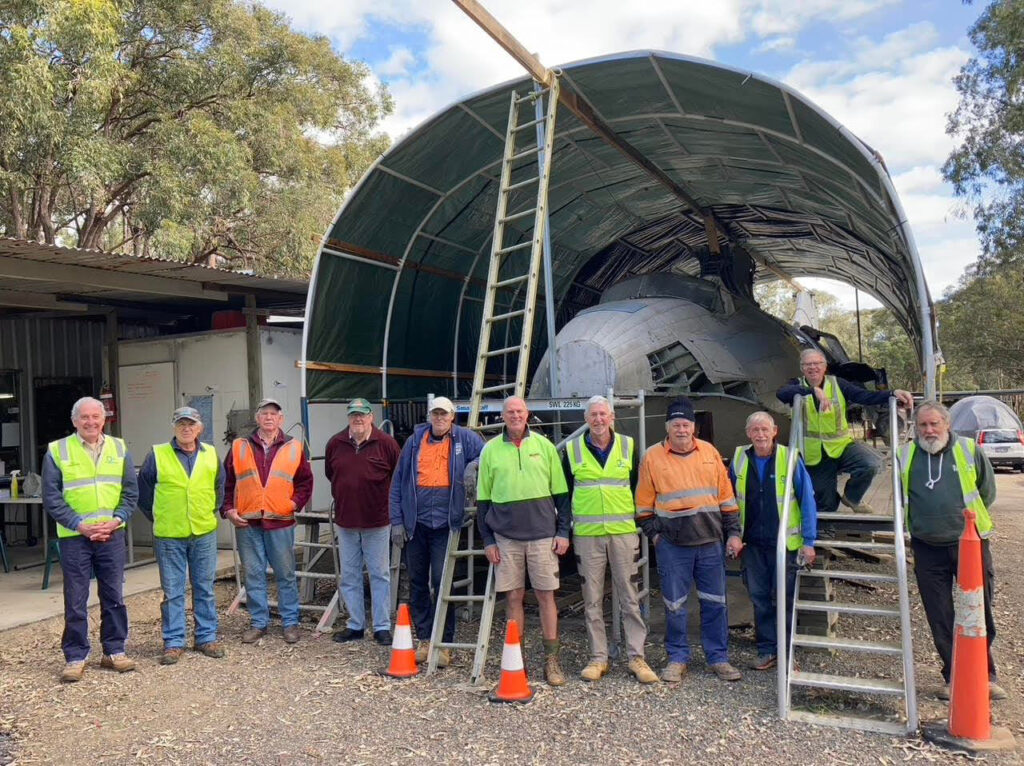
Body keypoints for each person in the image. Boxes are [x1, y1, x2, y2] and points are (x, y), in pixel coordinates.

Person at [898, 401, 1005, 701]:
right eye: (923, 425)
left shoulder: (969, 450)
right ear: (916, 428)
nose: (929, 430)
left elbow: (987, 491)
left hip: (969, 544)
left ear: (947, 424)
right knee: (940, 614)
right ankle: (953, 675)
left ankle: (986, 675)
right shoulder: (905, 455)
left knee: (978, 609)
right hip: (926, 546)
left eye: (935, 424)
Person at [635, 396, 743, 683]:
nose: (681, 429)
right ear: (667, 427)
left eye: (686, 424)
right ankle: (677, 658)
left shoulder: (709, 452)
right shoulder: (652, 457)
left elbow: (727, 498)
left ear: (693, 427)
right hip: (672, 547)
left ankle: (718, 658)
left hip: (710, 543)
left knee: (716, 603)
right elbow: (643, 506)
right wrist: (656, 537)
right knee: (674, 605)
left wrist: (733, 533)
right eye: (676, 425)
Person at [562, 395, 659, 684]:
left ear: (612, 417)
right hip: (588, 536)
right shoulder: (572, 450)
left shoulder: (629, 447)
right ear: (586, 419)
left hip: (622, 534)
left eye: (603, 414)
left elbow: (637, 488)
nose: (598, 420)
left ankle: (636, 657)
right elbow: (566, 494)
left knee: (630, 596)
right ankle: (598, 658)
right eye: (593, 415)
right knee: (591, 599)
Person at [42, 396, 139, 682]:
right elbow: (51, 496)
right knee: (75, 598)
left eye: (96, 417)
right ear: (74, 421)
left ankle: (114, 651)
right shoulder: (58, 451)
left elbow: (130, 492)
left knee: (114, 595)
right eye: (84, 417)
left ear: (103, 419)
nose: (91, 422)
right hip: (75, 537)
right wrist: (79, 525)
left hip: (111, 533)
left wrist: (118, 519)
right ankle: (75, 656)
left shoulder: (119, 448)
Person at [477, 396, 570, 686]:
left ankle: (551, 661)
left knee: (546, 596)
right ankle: (516, 660)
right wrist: (488, 540)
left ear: (527, 414)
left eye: (520, 411)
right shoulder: (490, 450)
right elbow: (483, 500)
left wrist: (563, 531)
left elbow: (562, 495)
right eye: (510, 412)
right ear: (503, 416)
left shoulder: (544, 447)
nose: (515, 416)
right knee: (513, 597)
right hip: (506, 538)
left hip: (543, 536)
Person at [390, 396, 483, 665]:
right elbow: (398, 483)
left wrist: (472, 467)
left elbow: (486, 457)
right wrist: (397, 521)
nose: (439, 418)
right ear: (429, 416)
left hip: (445, 524)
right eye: (435, 414)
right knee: (418, 582)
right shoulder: (413, 442)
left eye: (444, 414)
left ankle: (444, 643)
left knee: (442, 583)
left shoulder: (465, 438)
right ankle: (425, 638)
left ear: (453, 416)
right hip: (416, 524)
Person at [728, 411, 817, 671]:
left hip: (785, 545)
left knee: (786, 598)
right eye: (755, 430)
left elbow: (807, 500)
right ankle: (767, 650)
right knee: (759, 598)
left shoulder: (789, 458)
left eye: (765, 429)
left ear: (775, 431)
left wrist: (809, 540)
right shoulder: (739, 459)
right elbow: (730, 500)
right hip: (753, 543)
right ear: (748, 433)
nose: (760, 435)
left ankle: (787, 652)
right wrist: (732, 534)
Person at [137, 406, 226, 665]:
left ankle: (206, 637)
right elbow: (144, 495)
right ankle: (174, 642)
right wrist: (162, 517)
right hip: (169, 535)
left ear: (200, 428)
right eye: (181, 424)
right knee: (173, 591)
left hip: (203, 532)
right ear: (174, 427)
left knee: (205, 587)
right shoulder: (157, 455)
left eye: (191, 424)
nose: (186, 428)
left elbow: (219, 488)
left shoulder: (211, 454)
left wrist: (207, 513)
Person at [776, 348, 914, 514]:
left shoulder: (837, 384)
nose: (813, 367)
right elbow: (782, 393)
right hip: (814, 456)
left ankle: (852, 497)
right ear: (802, 368)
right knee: (825, 503)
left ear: (825, 366)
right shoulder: (795, 385)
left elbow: (864, 396)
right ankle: (828, 510)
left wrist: (893, 393)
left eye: (817, 363)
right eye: (808, 364)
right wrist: (812, 391)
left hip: (841, 447)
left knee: (871, 463)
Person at [221, 398, 313, 645]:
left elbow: (305, 482)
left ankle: (290, 623)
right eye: (264, 413)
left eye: (274, 414)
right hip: (247, 522)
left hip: (280, 521)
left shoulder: (294, 447)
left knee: (285, 574)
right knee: (253, 574)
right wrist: (228, 508)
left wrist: (292, 504)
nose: (269, 418)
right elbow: (227, 483)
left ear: (281, 419)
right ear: (257, 418)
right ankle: (258, 623)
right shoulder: (239, 446)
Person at [325, 398, 400, 645]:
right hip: (346, 521)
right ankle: (355, 625)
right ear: (348, 417)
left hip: (377, 521)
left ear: (371, 417)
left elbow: (397, 477)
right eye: (353, 414)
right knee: (349, 575)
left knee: (380, 575)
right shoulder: (335, 443)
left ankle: (381, 627)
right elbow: (330, 474)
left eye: (363, 414)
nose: (358, 419)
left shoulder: (386, 444)